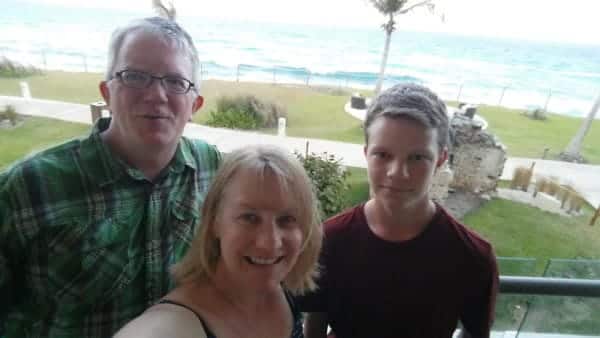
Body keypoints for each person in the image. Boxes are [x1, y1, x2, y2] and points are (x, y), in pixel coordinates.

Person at [0, 17, 220, 337]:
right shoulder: (28, 187)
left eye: (175, 81)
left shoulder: (212, 168)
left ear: (194, 104)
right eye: (135, 76)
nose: (157, 95)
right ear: (107, 93)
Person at [297, 83, 499, 338]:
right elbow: (314, 323)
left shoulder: (472, 257)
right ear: (366, 153)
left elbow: (475, 332)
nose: (397, 173)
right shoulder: (329, 240)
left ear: (440, 159)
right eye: (383, 154)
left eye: (417, 158)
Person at [114, 145, 323, 338]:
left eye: (286, 219)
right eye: (249, 218)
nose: (269, 243)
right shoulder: (176, 323)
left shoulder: (284, 292)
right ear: (214, 221)